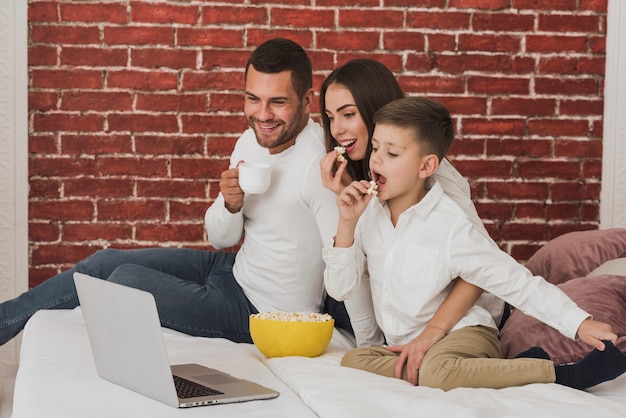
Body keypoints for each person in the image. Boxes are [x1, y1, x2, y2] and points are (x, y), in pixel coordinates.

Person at [0, 38, 340, 346]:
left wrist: (369, 342)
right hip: (232, 268)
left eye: (277, 102)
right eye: (253, 99)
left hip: (261, 313)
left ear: (307, 100)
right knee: (104, 262)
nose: (262, 115)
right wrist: (230, 204)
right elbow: (220, 238)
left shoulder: (319, 165)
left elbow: (344, 262)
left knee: (125, 280)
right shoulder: (251, 141)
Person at [323, 96, 626, 390]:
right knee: (354, 360)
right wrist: (347, 223)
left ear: (426, 166)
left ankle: (559, 374)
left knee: (438, 372)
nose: (375, 159)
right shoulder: (368, 215)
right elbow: (340, 289)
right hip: (410, 344)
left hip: (464, 333)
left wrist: (580, 323)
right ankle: (496, 371)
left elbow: (516, 281)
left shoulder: (451, 225)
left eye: (392, 153)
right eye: (375, 148)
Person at [317, 59, 504, 360]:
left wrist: (430, 335)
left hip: (461, 322)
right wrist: (371, 350)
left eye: (348, 115)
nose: (337, 130)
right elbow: (356, 280)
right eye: (330, 117)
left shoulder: (434, 177)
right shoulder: (366, 177)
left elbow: (481, 268)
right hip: (405, 324)